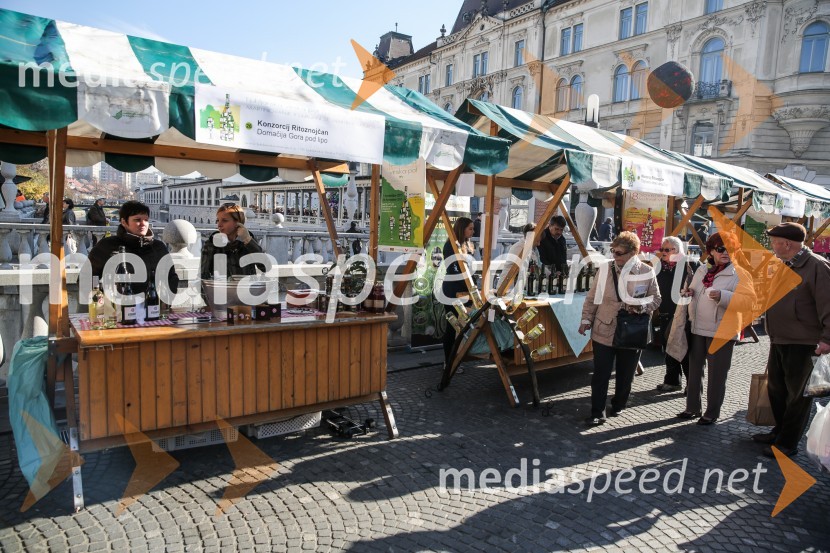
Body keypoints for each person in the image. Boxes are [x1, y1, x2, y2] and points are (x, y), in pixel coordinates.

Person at [753, 222, 830, 457]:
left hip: (804, 341)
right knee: (777, 389)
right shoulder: (781, 265)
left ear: (787, 244)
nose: (772, 246)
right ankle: (779, 430)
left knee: (798, 395)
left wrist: (827, 338)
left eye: (775, 242)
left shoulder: (817, 266)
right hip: (780, 337)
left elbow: (828, 304)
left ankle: (788, 443)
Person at [579, 231, 661, 425]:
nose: (614, 256)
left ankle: (618, 404)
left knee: (626, 374)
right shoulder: (605, 269)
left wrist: (640, 307)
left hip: (632, 331)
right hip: (604, 328)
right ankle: (597, 412)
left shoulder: (646, 272)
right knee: (601, 374)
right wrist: (585, 320)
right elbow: (592, 298)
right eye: (613, 251)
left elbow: (656, 299)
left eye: (619, 253)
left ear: (633, 253)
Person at [677, 232, 755, 425]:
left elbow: (750, 302)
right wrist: (688, 293)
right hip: (697, 327)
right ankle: (692, 408)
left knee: (717, 375)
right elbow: (695, 291)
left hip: (722, 331)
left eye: (730, 249)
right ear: (711, 251)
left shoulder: (740, 273)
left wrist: (723, 296)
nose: (725, 253)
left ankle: (711, 413)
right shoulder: (703, 270)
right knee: (694, 371)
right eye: (721, 249)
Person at [88, 200, 179, 295]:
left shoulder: (158, 247)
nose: (143, 224)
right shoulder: (107, 246)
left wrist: (166, 300)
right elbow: (86, 279)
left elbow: (171, 278)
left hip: (153, 306)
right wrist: (105, 301)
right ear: (124, 222)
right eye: (137, 220)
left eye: (146, 220)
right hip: (118, 307)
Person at [655, 236, 698, 392]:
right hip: (666, 312)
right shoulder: (660, 266)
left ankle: (691, 384)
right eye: (662, 250)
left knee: (685, 349)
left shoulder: (690, 264)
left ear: (677, 250)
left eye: (667, 250)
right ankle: (672, 380)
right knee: (669, 348)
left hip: (684, 314)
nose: (663, 253)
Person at [441, 217, 475, 362]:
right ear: (462, 229)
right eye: (470, 229)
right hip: (452, 290)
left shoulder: (467, 245)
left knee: (463, 324)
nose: (473, 232)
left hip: (465, 289)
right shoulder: (451, 245)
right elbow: (453, 269)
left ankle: (457, 357)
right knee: (453, 325)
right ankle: (448, 361)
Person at [200, 203, 264, 279]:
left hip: (246, 289)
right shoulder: (212, 243)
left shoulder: (249, 242)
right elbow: (203, 276)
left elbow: (264, 267)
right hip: (221, 290)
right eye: (218, 220)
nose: (219, 225)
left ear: (238, 223)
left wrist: (247, 240)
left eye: (224, 220)